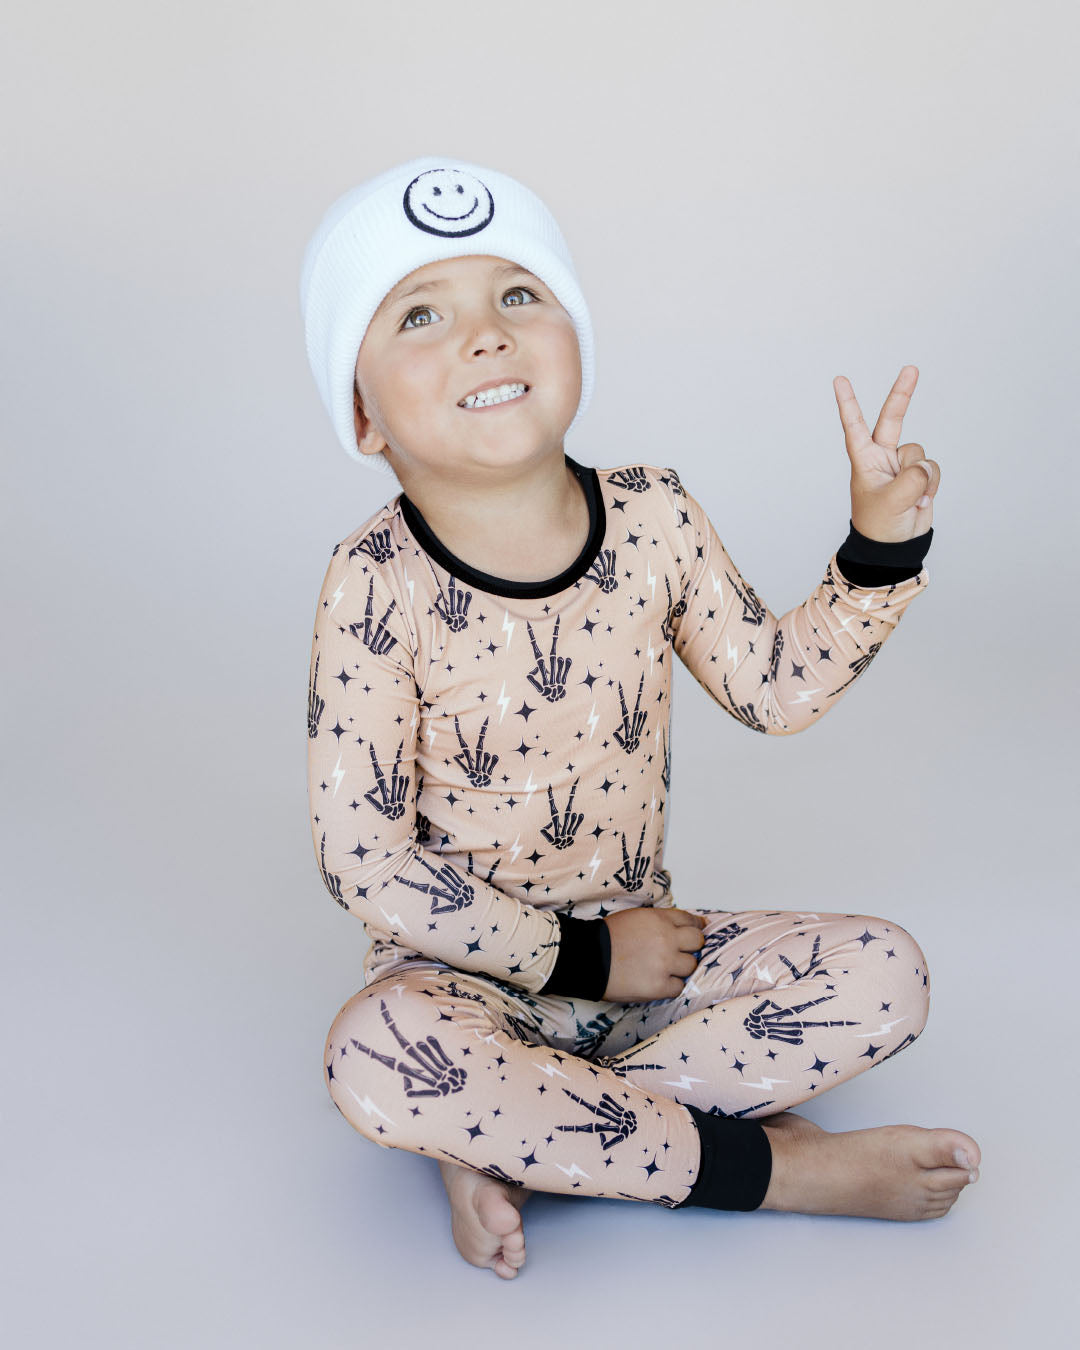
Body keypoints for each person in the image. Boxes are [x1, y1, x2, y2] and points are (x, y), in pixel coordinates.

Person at [300, 156, 980, 1280]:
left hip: (653, 960)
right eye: (422, 313)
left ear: (576, 338)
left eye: (520, 294)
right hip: (461, 981)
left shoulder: (653, 518)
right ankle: (772, 1170)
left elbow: (776, 686)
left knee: (887, 974)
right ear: (364, 412)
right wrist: (572, 955)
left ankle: (518, 1144)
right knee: (375, 1055)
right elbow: (363, 859)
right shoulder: (373, 583)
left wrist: (877, 550)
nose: (487, 335)